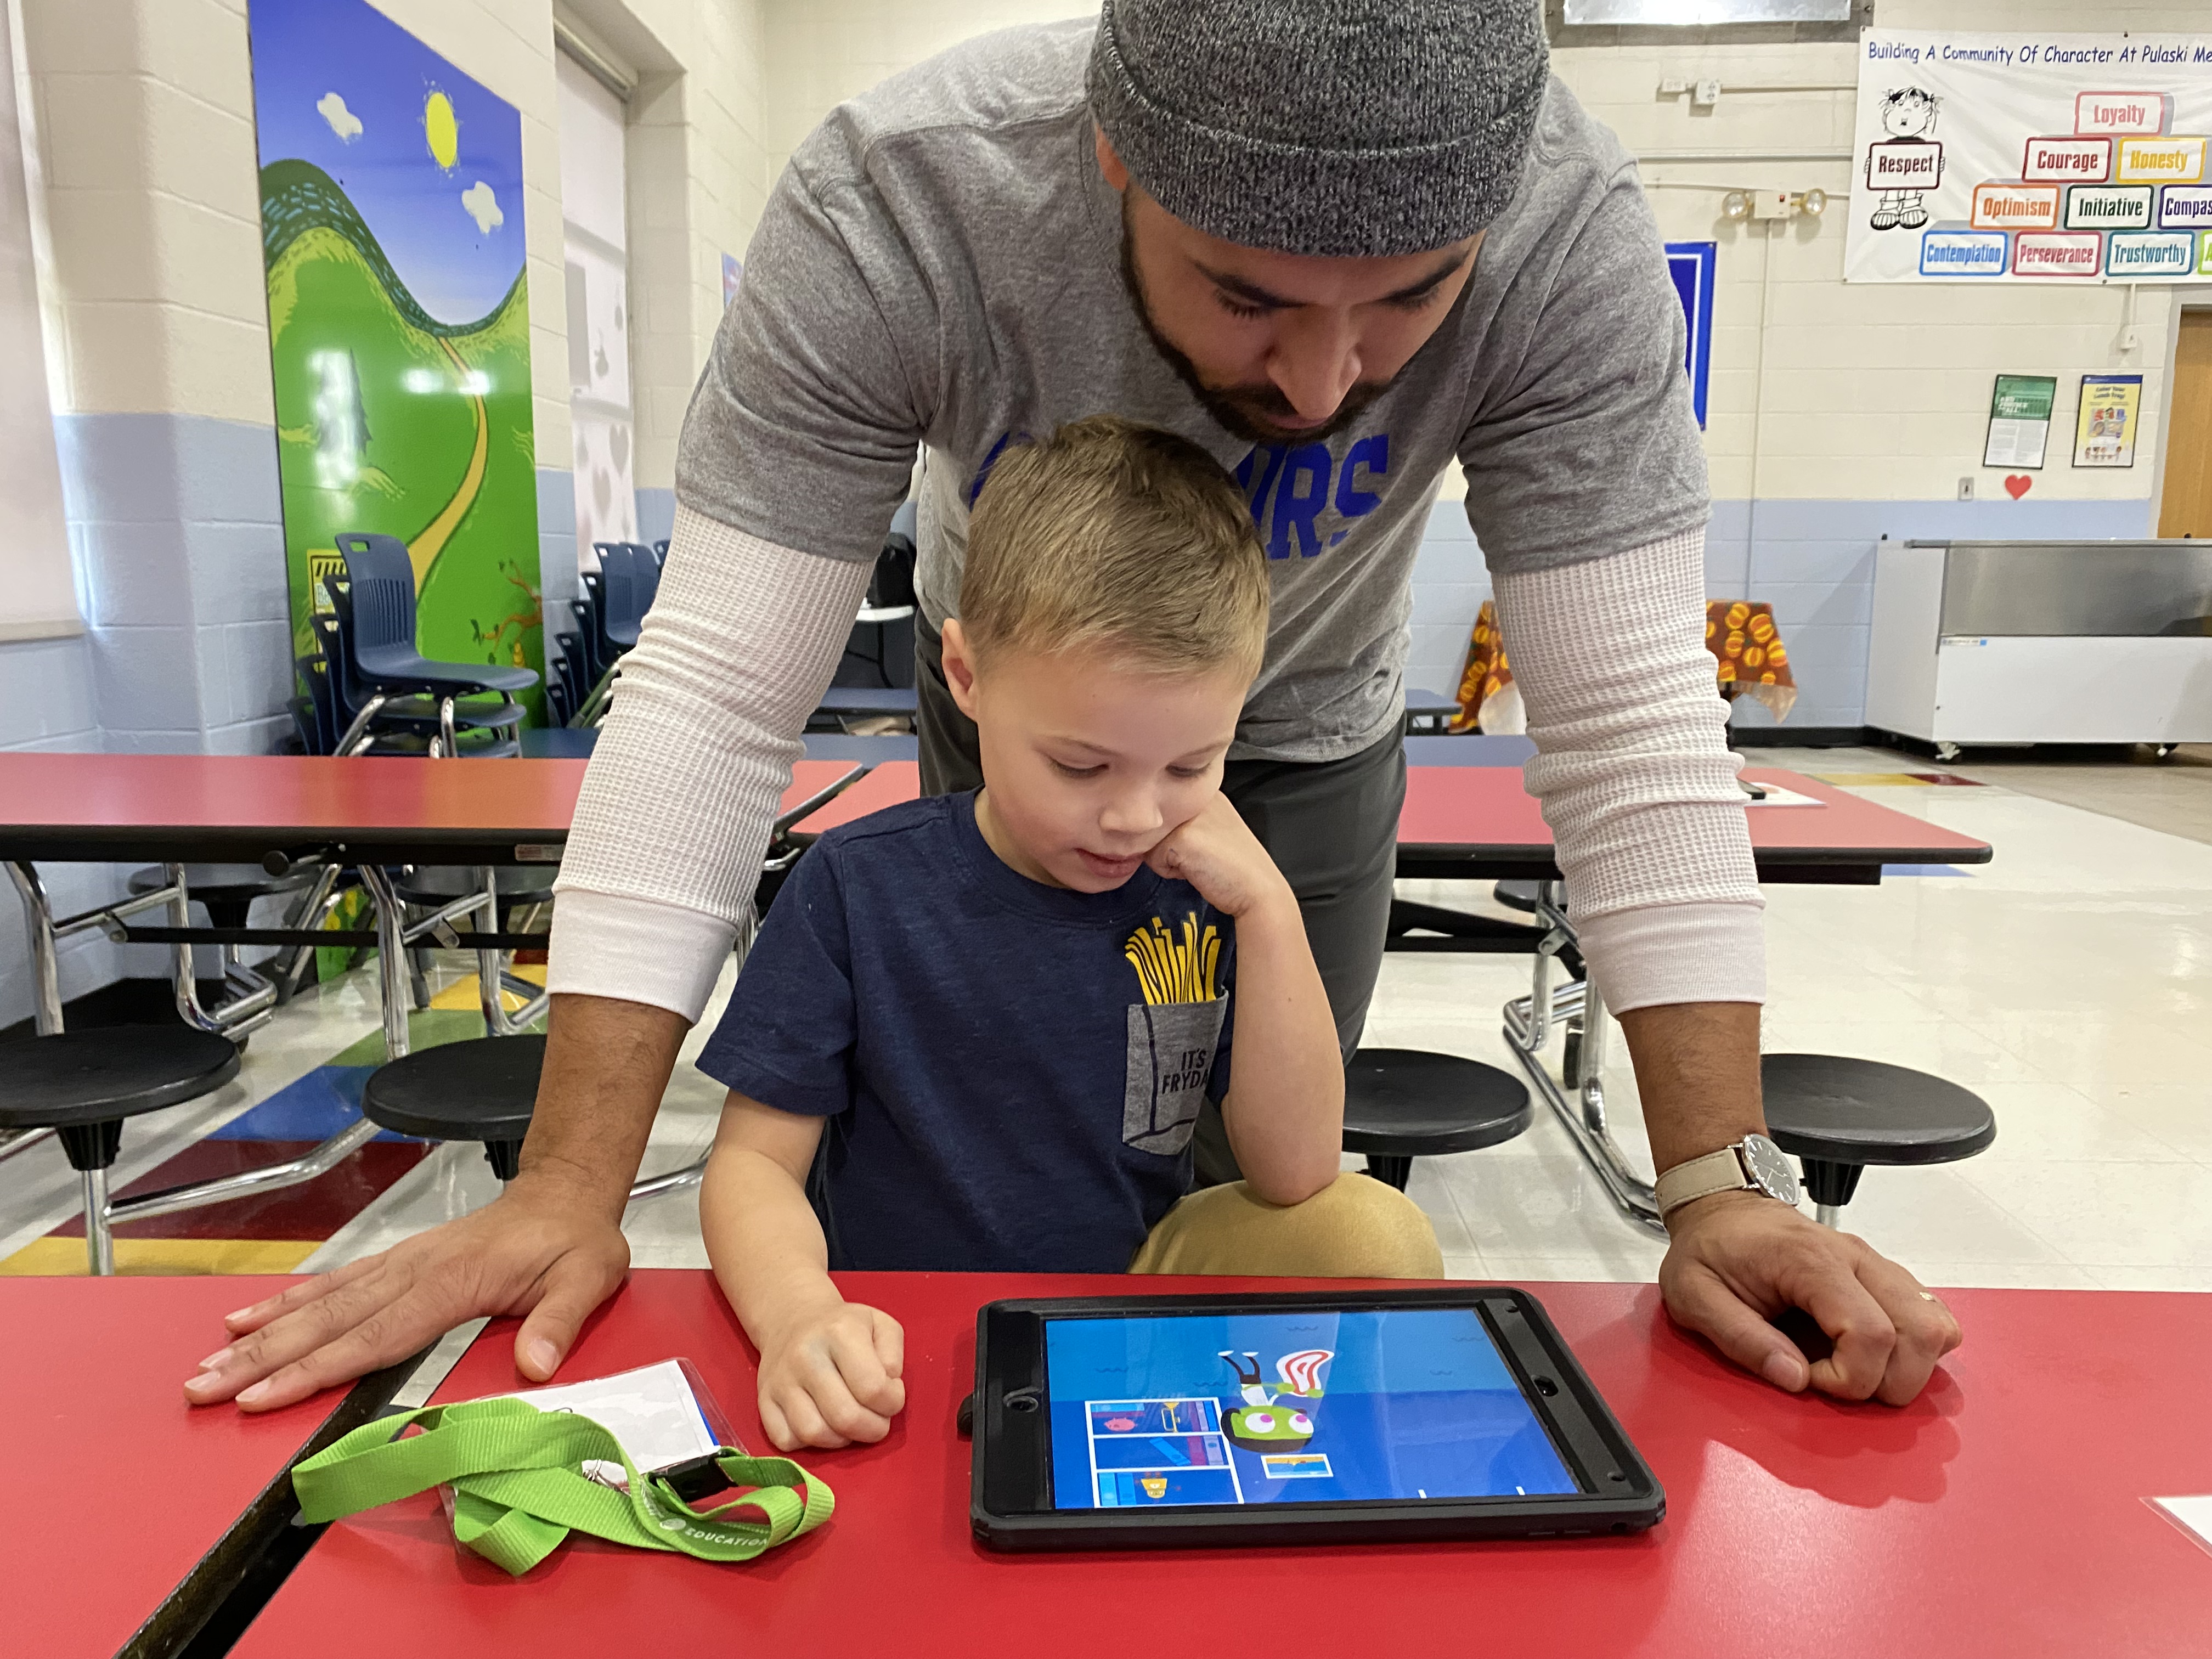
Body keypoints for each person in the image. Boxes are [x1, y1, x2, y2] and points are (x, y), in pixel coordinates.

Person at [189, 0, 1961, 1416]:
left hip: (1317, 729)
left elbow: (1636, 727)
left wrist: (1720, 1181)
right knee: (989, 1146)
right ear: (1115, 155)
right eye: (1249, 293)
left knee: (1247, 1189)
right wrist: (572, 1181)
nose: (1329, 380)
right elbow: (719, 694)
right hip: (1013, 721)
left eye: (1410, 298)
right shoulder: (906, 200)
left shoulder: (1570, 240)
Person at [703, 418, 1441, 1449]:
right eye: (1081, 767)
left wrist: (1269, 913)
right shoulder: (857, 888)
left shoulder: (1204, 891)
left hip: (1128, 1307)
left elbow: (1294, 1171)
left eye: (1191, 766)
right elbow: (753, 1166)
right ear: (965, 678)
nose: (1137, 816)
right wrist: (796, 1314)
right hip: (903, 1325)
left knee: (1376, 1231)